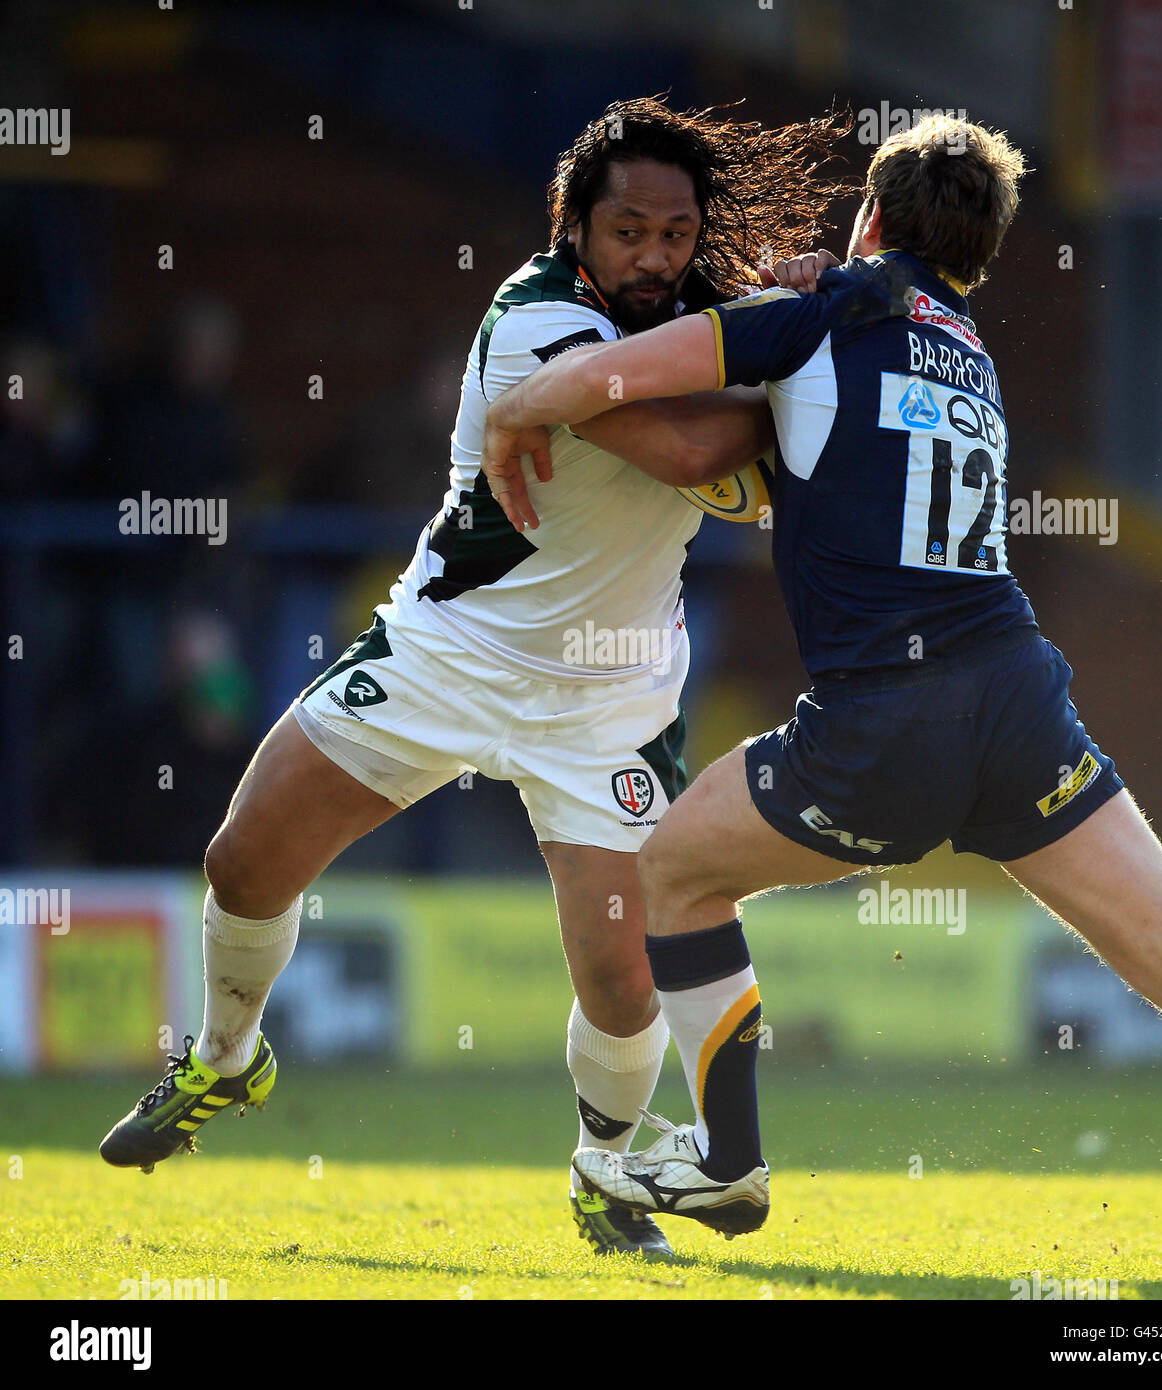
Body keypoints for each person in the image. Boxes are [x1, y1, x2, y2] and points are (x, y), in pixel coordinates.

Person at [98, 97, 846, 1259]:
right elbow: (697, 450)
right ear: (574, 225)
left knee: (619, 977)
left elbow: (736, 410)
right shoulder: (534, 318)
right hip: (445, 653)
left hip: (609, 696)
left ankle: (605, 1165)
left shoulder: (706, 319)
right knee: (243, 858)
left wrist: (785, 322)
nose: (653, 255)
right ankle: (226, 1060)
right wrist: (787, 355)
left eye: (675, 232)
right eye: (627, 231)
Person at [479, 114, 1162, 1238]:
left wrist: (516, 404)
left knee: (675, 870)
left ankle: (727, 1162)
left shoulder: (826, 312)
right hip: (1018, 700)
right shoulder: (965, 347)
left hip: (889, 715)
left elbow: (625, 375)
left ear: (870, 216)